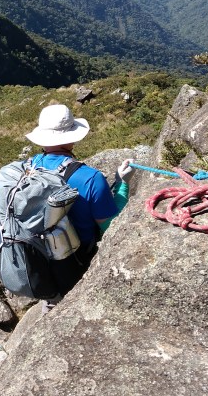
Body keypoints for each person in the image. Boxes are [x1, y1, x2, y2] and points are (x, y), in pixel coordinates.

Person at [23, 104, 134, 306]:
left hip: (38, 260)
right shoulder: (91, 179)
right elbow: (112, 228)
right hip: (76, 264)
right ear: (72, 137)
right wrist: (122, 184)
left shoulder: (28, 167)